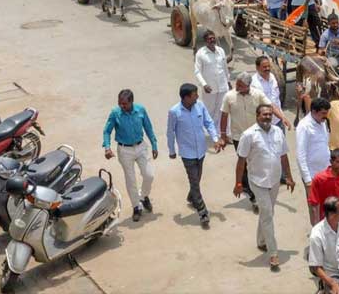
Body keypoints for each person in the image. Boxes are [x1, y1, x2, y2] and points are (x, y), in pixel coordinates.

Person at [234, 104, 295, 270]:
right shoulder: (248, 135)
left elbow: (283, 156)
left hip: (274, 181)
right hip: (257, 181)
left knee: (267, 212)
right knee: (267, 214)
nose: (267, 117)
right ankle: (273, 253)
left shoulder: (277, 132)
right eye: (264, 115)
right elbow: (241, 162)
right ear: (257, 116)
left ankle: (261, 241)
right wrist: (239, 183)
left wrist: (289, 176)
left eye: (269, 114)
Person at [167, 83, 220, 228]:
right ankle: (202, 211)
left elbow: (208, 122)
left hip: (201, 151)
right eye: (194, 94)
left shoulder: (200, 106)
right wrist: (172, 150)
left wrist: (215, 139)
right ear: (186, 97)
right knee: (194, 181)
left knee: (197, 178)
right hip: (187, 153)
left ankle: (192, 197)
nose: (197, 96)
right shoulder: (174, 112)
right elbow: (170, 132)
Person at [102, 89, 157, 222]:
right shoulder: (115, 113)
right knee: (131, 180)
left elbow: (148, 128)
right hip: (124, 150)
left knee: (149, 175)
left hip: (140, 147)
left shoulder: (141, 110)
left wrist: (154, 145)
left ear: (131, 102)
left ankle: (143, 196)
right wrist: (107, 148)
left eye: (124, 104)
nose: (122, 106)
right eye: (120, 103)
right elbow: (107, 131)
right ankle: (136, 207)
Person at [219, 72, 272, 209]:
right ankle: (252, 195)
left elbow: (270, 107)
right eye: (237, 83)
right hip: (239, 137)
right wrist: (223, 135)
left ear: (248, 86)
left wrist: (282, 118)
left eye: (240, 85)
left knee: (256, 163)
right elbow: (224, 116)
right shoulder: (229, 96)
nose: (236, 86)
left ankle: (253, 186)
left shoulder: (257, 94)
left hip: (256, 136)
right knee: (244, 164)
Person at [296, 97, 332, 222]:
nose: (325, 116)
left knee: (327, 205)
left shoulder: (324, 122)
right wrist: (307, 180)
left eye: (326, 113)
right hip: (312, 176)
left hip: (326, 172)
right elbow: (301, 155)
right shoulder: (304, 126)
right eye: (323, 113)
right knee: (315, 208)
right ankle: (317, 235)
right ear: (314, 111)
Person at [309, 196, 339, 294]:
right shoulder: (317, 235)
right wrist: (332, 283)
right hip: (332, 273)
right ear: (331, 214)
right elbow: (315, 267)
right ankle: (324, 286)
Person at [194, 29, 231, 129]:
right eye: (210, 39)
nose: (212, 40)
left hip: (223, 86)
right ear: (205, 41)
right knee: (209, 110)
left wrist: (228, 81)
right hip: (209, 88)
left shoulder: (221, 51)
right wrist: (204, 84)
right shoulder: (201, 54)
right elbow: (197, 71)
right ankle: (208, 131)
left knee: (223, 110)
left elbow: (225, 68)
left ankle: (223, 133)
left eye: (213, 38)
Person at [309, 150, 339, 225]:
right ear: (331, 161)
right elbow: (314, 203)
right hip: (327, 219)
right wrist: (316, 224)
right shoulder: (319, 178)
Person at [250, 56, 292, 129]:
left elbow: (277, 97)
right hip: (265, 122)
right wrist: (283, 117)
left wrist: (281, 117)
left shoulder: (272, 76)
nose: (268, 69)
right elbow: (268, 105)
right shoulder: (254, 84)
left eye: (268, 66)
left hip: (278, 119)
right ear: (257, 68)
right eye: (264, 67)